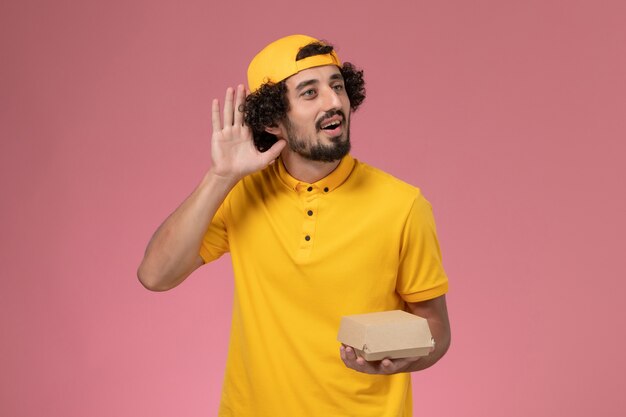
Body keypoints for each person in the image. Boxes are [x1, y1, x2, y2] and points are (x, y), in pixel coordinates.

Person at [138, 34, 451, 417]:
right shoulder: (241, 194)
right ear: (273, 121)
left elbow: (435, 326)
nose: (334, 101)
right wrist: (220, 177)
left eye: (338, 86)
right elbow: (155, 275)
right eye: (310, 92)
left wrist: (407, 358)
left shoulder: (403, 206)